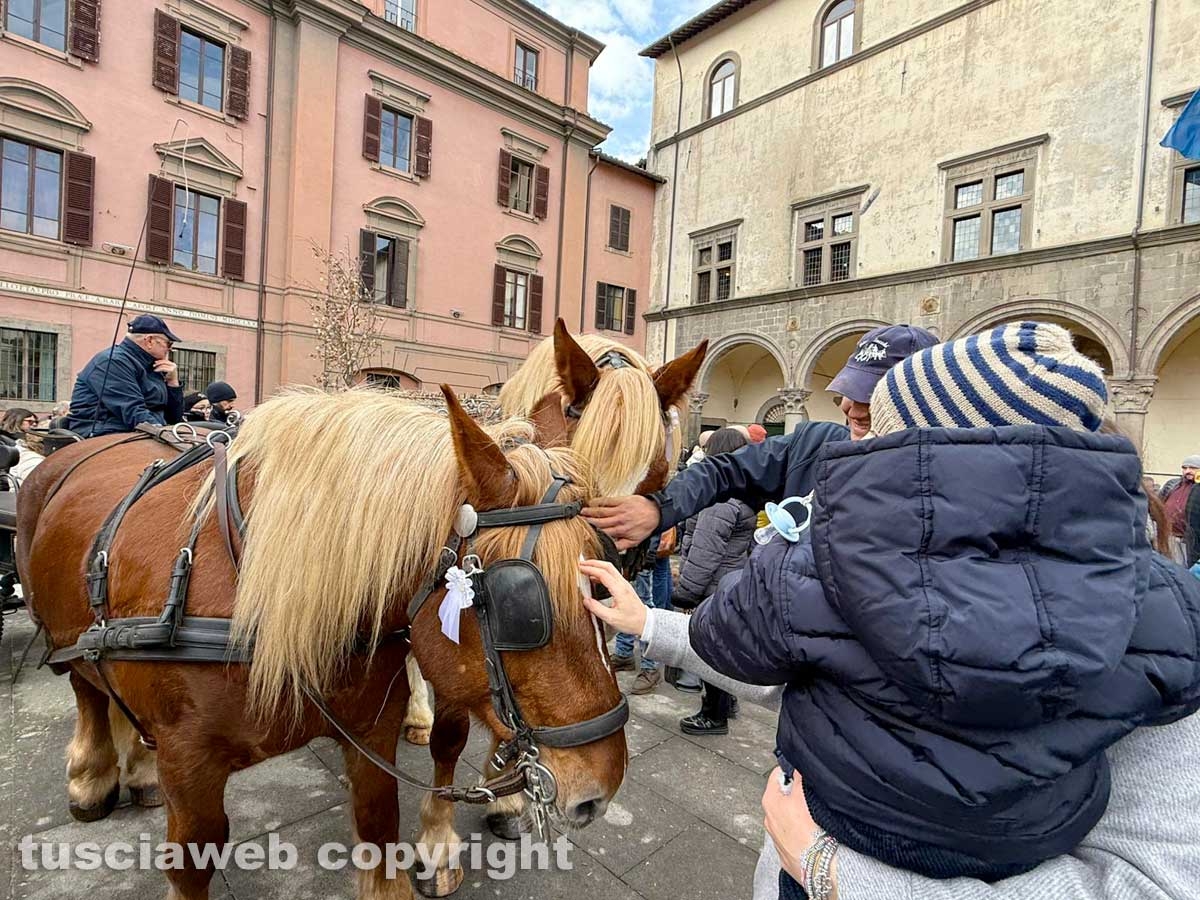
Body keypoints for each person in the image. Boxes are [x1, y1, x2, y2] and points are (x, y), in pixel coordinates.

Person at [691, 322, 1200, 895]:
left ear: (918, 453)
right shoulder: (1166, 600)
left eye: (875, 433)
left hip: (827, 844)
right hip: (1024, 852)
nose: (855, 444)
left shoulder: (823, 560)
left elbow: (720, 634)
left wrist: (829, 870)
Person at [584, 324, 939, 548]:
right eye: (849, 389)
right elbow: (722, 471)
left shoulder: (941, 489)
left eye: (869, 395)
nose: (849, 405)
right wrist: (657, 509)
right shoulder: (815, 444)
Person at [672, 426, 756, 736]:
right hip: (731, 582)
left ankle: (713, 715)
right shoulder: (746, 492)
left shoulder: (720, 501)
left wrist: (685, 594)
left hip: (712, 587)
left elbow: (704, 553)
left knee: (710, 651)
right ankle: (727, 702)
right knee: (725, 647)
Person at [66, 314, 183, 437]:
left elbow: (173, 418)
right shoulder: (113, 362)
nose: (169, 349)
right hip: (103, 431)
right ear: (149, 341)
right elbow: (132, 411)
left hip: (139, 430)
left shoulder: (154, 366)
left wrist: (173, 383)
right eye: (168, 344)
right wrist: (166, 435)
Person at [610, 533, 670, 695]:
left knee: (645, 609)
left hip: (641, 554)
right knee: (623, 602)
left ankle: (650, 668)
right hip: (626, 555)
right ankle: (623, 654)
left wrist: (648, 555)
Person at [1159, 454, 1200, 565]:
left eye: (1192, 468)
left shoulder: (1197, 489)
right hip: (1168, 537)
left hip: (1188, 542)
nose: (1187, 471)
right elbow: (1158, 503)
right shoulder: (1172, 485)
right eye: (1185, 468)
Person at [0, 408, 45, 487]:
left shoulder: (34, 439)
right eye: (30, 421)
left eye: (36, 422)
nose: (34, 424)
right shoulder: (3, 440)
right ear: (15, 421)